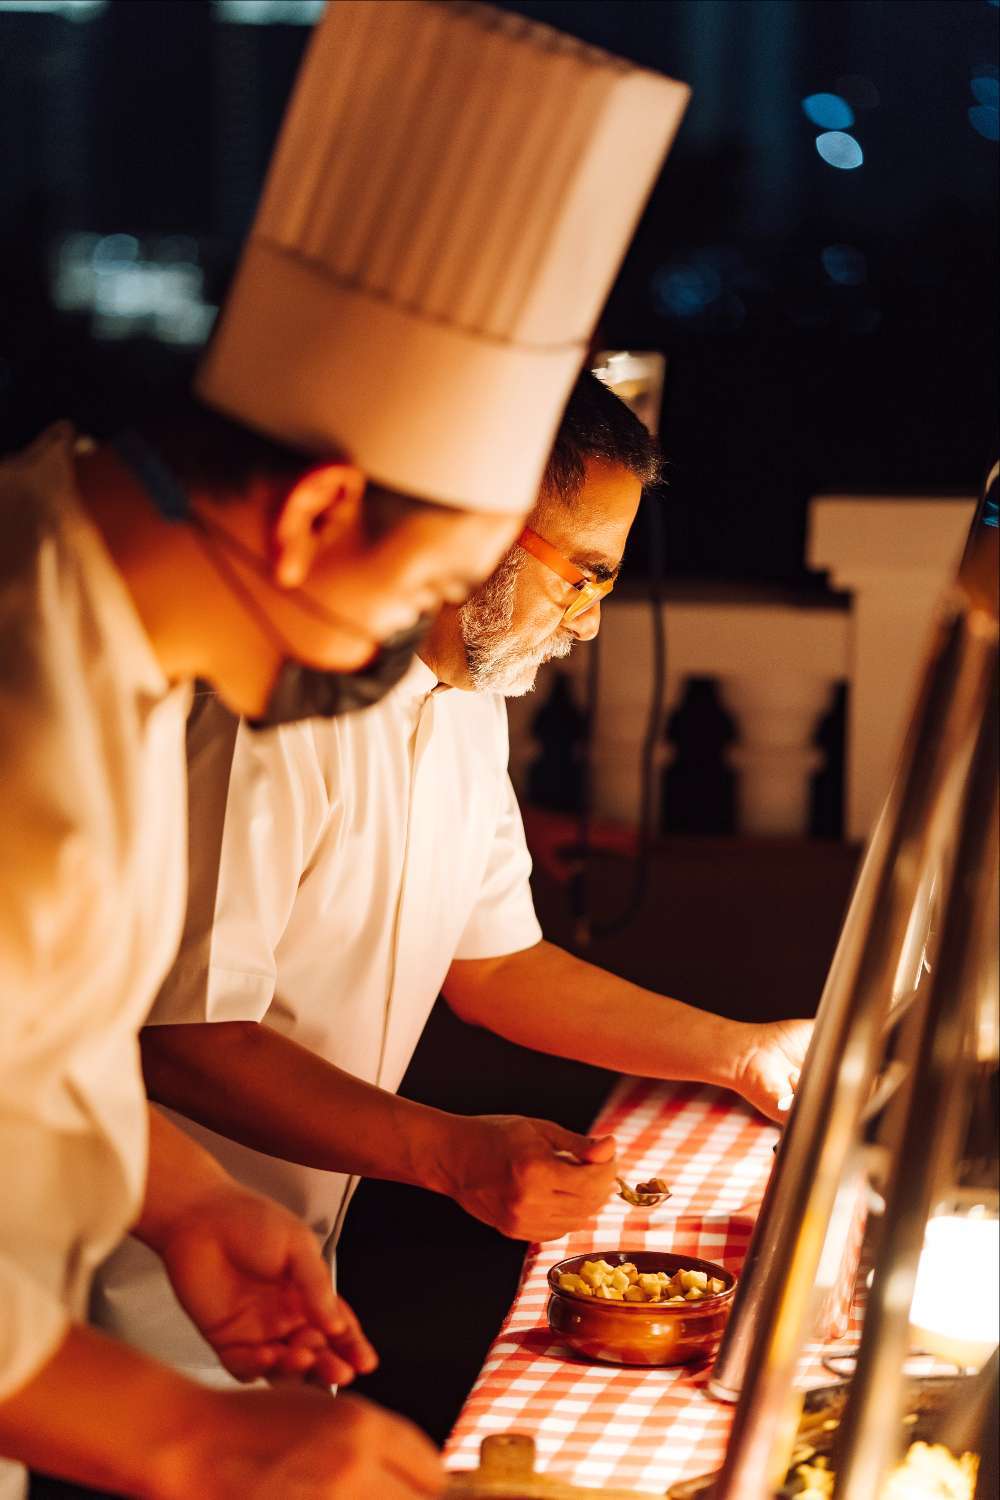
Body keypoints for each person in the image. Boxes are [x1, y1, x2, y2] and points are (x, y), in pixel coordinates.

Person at [0, 3, 692, 1496]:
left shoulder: (103, 621)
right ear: (315, 516)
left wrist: (181, 1199)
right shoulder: (22, 692)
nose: (445, 636)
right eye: (437, 584)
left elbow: (31, 1060)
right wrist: (193, 1439)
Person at [92, 371, 813, 1394]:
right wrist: (451, 1154)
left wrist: (743, 1052)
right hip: (130, 1267)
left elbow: (496, 964)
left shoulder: (469, 697)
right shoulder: (268, 694)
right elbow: (186, 1037)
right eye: (583, 576)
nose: (588, 622)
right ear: (484, 524)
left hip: (283, 1250)